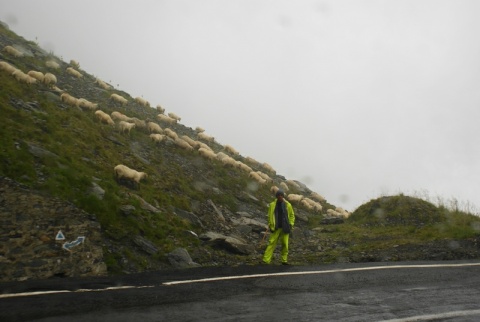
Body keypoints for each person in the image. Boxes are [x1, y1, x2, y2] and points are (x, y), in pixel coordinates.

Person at [262, 189, 295, 265]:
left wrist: (290, 224)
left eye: (281, 195)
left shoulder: (288, 205)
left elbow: (291, 215)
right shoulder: (272, 205)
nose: (280, 197)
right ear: (276, 196)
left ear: (283, 196)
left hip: (285, 227)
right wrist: (270, 224)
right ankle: (266, 260)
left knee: (285, 244)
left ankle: (284, 260)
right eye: (278, 195)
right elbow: (270, 215)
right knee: (271, 243)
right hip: (276, 227)